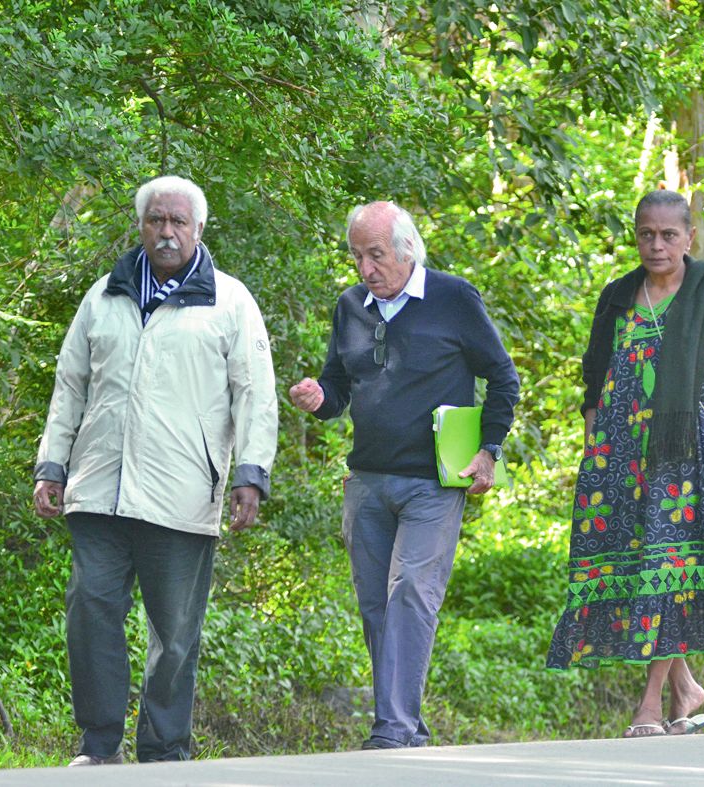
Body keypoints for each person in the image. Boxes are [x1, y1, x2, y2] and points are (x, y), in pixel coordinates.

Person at [32, 175, 278, 764]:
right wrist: (52, 463)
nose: (166, 232)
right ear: (140, 225)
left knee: (174, 636)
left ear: (198, 229)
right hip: (98, 489)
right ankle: (99, 746)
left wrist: (250, 472)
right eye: (155, 221)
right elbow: (70, 386)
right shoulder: (103, 297)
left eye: (178, 222)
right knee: (91, 612)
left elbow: (255, 394)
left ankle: (165, 753)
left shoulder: (231, 301)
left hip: (182, 495)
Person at [289, 201, 519, 749]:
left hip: (434, 482)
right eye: (357, 256)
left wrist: (488, 451)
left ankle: (391, 729)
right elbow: (336, 390)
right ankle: (406, 726)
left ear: (406, 250)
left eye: (376, 255)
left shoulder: (454, 298)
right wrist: (318, 400)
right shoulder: (350, 307)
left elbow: (503, 378)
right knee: (375, 604)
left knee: (412, 592)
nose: (366, 268)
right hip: (366, 480)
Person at [546, 189, 704, 737]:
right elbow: (594, 380)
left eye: (669, 235)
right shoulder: (617, 296)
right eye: (646, 234)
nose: (656, 244)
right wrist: (597, 453)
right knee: (643, 573)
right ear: (635, 235)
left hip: (689, 460)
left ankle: (648, 705)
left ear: (690, 237)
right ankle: (685, 686)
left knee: (669, 569)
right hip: (620, 461)